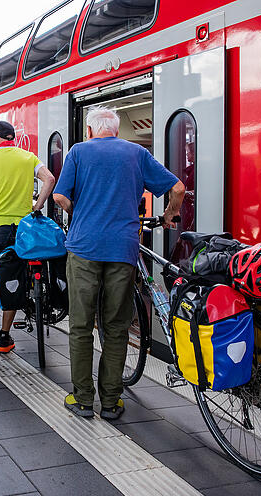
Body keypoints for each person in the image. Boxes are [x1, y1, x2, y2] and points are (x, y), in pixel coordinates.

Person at [53, 106, 185, 420]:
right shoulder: (136, 153)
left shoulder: (79, 152)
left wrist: (80, 212)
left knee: (81, 326)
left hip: (84, 248)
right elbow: (177, 188)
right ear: (116, 131)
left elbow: (59, 197)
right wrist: (168, 215)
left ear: (89, 131)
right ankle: (111, 402)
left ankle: (83, 399)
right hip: (123, 250)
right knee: (116, 328)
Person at [0, 121, 55, 353]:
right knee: (14, 280)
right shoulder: (28, 157)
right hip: (22, 230)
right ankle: (4, 336)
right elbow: (49, 179)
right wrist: (37, 206)